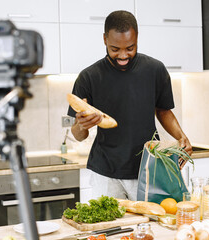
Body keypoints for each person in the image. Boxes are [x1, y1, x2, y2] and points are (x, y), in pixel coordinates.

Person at [67, 10, 192, 201]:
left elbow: (164, 110)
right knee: (110, 229)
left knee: (150, 226)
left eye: (130, 48)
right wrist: (82, 125)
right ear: (104, 39)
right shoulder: (88, 77)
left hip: (149, 168)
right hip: (106, 172)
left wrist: (182, 137)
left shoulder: (155, 70)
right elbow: (77, 134)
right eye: (115, 49)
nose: (123, 55)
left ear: (137, 38)